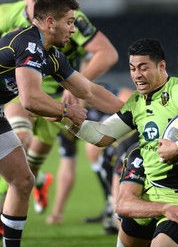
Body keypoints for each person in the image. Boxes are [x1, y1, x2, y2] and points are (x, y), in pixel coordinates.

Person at [0, 0, 123, 246]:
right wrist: (66, 112)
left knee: (23, 181)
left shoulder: (51, 55)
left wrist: (133, 112)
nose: (74, 29)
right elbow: (30, 100)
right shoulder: (28, 43)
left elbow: (88, 90)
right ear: (50, 22)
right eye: (70, 21)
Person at [62, 38, 178, 246]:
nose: (136, 75)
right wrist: (67, 119)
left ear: (161, 66)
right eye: (133, 68)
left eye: (143, 68)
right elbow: (102, 135)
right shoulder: (136, 102)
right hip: (148, 195)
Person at [46, 85, 133, 232]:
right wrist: (57, 212)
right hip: (94, 137)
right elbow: (66, 166)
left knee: (103, 152)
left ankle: (118, 210)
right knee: (99, 155)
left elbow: (128, 96)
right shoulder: (64, 119)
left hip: (123, 134)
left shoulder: (93, 91)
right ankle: (111, 205)